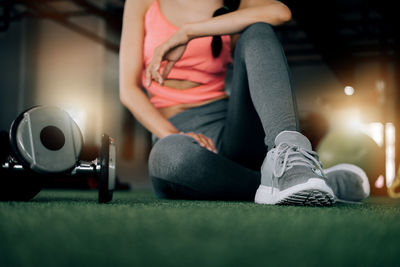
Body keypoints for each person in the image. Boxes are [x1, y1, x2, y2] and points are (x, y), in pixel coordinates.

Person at [119, 0, 370, 205]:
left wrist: (187, 32)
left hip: (233, 129)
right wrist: (176, 134)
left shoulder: (233, 1)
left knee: (257, 30)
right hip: (175, 133)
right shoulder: (142, 2)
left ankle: (290, 154)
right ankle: (292, 181)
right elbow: (128, 90)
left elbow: (280, 12)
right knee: (169, 156)